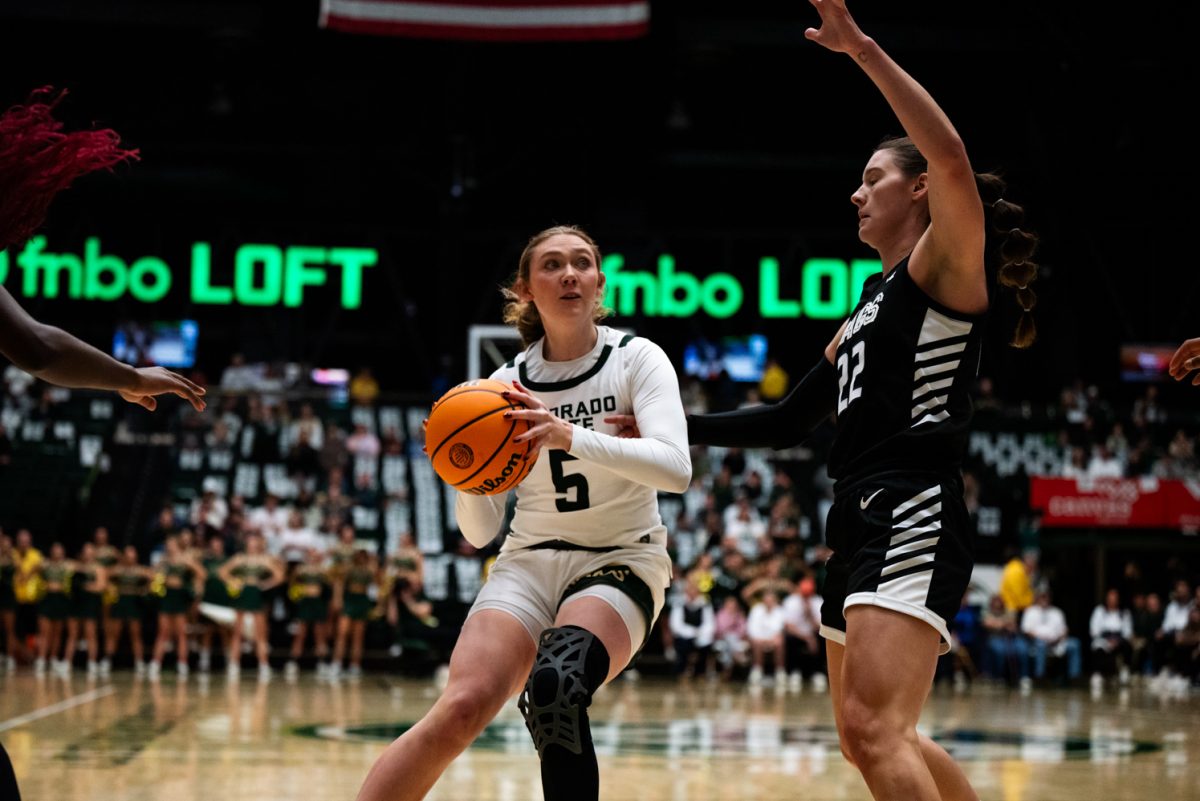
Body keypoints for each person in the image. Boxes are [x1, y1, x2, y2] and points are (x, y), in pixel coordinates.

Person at [644, 2, 1040, 797]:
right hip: (854, 515)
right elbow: (790, 417)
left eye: (873, 179)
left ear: (919, 188)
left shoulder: (946, 265)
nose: (855, 194)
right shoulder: (867, 302)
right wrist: (662, 427)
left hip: (913, 501)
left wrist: (861, 50)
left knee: (876, 730)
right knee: (872, 739)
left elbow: (954, 155)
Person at [356, 224, 690, 801]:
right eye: (553, 265)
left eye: (582, 263)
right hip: (528, 561)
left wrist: (570, 436)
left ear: (599, 281)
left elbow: (675, 468)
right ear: (526, 288)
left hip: (622, 558)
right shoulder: (501, 387)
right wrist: (460, 472)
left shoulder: (638, 359)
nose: (569, 274)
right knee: (460, 708)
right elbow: (481, 531)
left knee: (558, 683)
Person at [219, 532, 285, 681]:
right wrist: (234, 582)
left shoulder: (265, 559)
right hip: (243, 594)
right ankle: (234, 665)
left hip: (256, 595)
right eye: (250, 542)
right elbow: (222, 572)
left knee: (260, 633)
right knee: (237, 632)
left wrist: (266, 584)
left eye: (255, 542)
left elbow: (280, 576)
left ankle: (263, 665)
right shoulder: (240, 558)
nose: (252, 545)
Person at [148, 535, 205, 679]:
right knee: (163, 632)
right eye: (167, 544)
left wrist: (188, 565)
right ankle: (155, 663)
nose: (169, 546)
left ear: (178, 545)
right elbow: (152, 576)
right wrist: (158, 576)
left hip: (180, 596)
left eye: (172, 544)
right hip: (167, 596)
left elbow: (202, 573)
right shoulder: (163, 560)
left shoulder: (186, 559)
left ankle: (182, 663)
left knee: (181, 633)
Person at [104, 546, 153, 674]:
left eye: (133, 555)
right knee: (114, 632)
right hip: (120, 601)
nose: (130, 558)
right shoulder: (118, 569)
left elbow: (152, 576)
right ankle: (107, 660)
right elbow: (106, 574)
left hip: (134, 602)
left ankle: (139, 662)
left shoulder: (140, 569)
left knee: (135, 633)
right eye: (128, 556)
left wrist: (144, 589)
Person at [63, 542, 107, 676]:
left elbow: (101, 586)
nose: (88, 554)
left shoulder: (99, 568)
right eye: (85, 551)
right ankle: (67, 663)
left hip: (90, 604)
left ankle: (92, 663)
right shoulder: (75, 566)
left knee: (90, 634)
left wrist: (85, 586)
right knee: (72, 634)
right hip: (75, 603)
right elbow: (65, 566)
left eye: (90, 551)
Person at [1020, 589, 1082, 684]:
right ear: (1038, 598)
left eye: (1046, 597)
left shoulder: (1057, 612)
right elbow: (1026, 630)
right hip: (1036, 643)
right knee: (1041, 644)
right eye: (1042, 596)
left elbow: (1064, 630)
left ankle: (1074, 676)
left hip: (1056, 642)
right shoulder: (1030, 611)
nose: (1044, 599)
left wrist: (1058, 638)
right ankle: (1040, 677)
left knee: (1075, 643)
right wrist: (1040, 639)